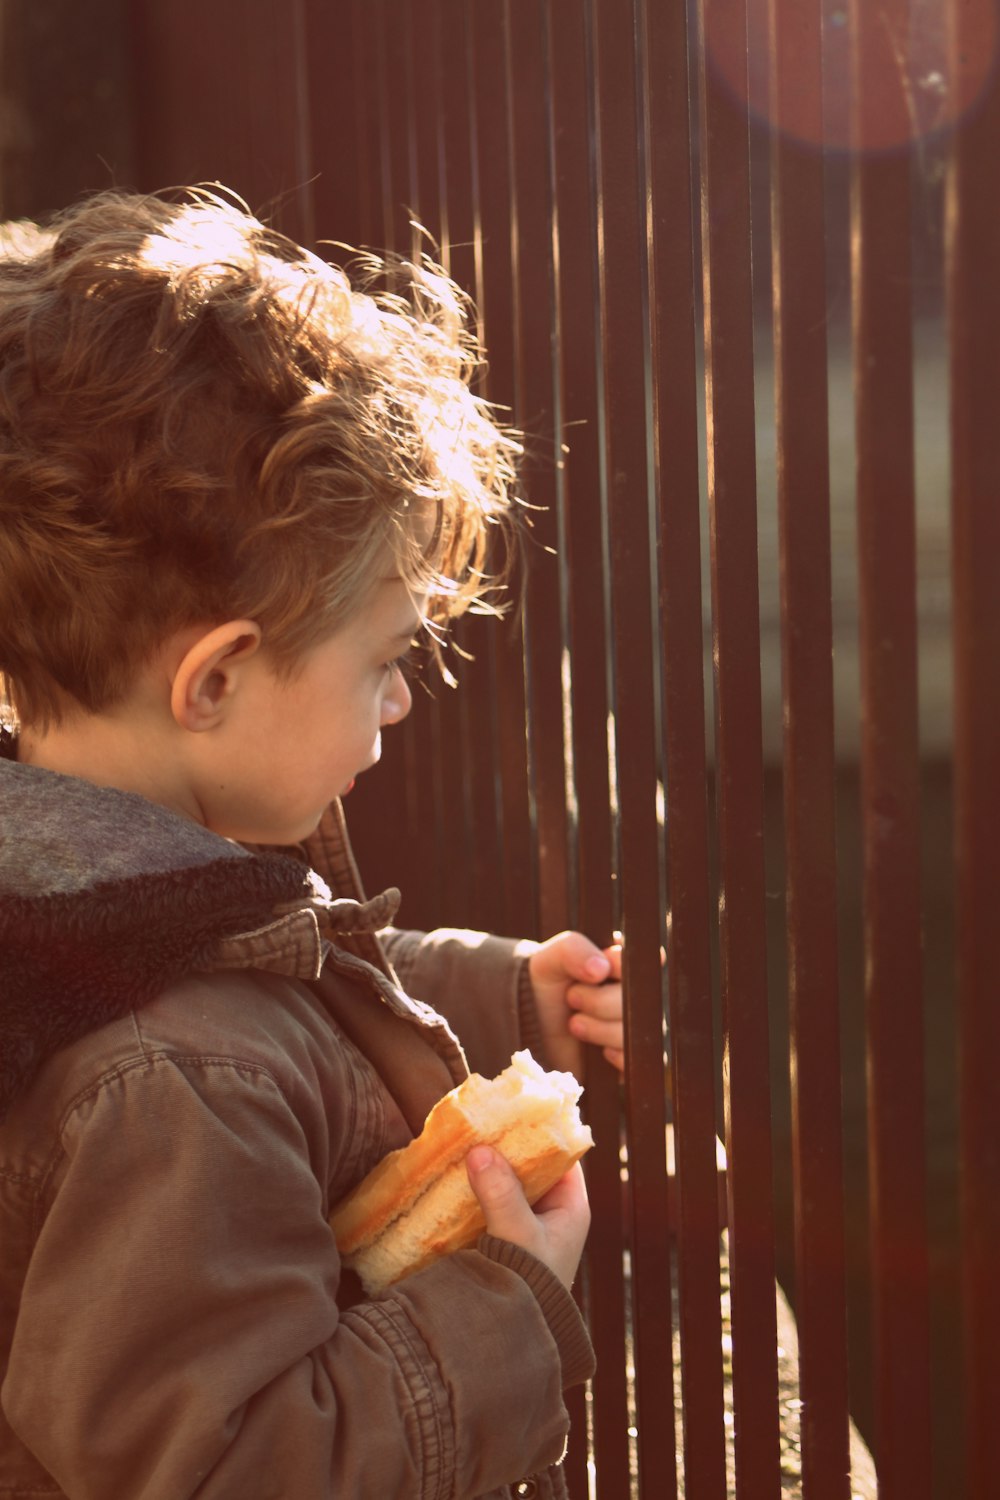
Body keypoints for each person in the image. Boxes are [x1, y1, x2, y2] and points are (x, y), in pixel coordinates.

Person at [0, 187, 624, 1500]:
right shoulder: (172, 1082)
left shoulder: (87, 885)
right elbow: (236, 1473)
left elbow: (279, 981)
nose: (399, 699)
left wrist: (500, 991)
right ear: (216, 679)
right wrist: (511, 1310)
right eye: (385, 659)